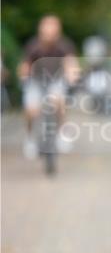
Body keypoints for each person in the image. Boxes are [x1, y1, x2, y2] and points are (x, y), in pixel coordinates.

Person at [19, 14, 78, 159]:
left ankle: (62, 133)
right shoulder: (33, 45)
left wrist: (72, 75)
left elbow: (70, 62)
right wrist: (24, 76)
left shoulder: (64, 45)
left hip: (56, 80)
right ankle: (30, 138)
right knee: (31, 110)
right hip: (36, 80)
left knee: (59, 101)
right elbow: (25, 65)